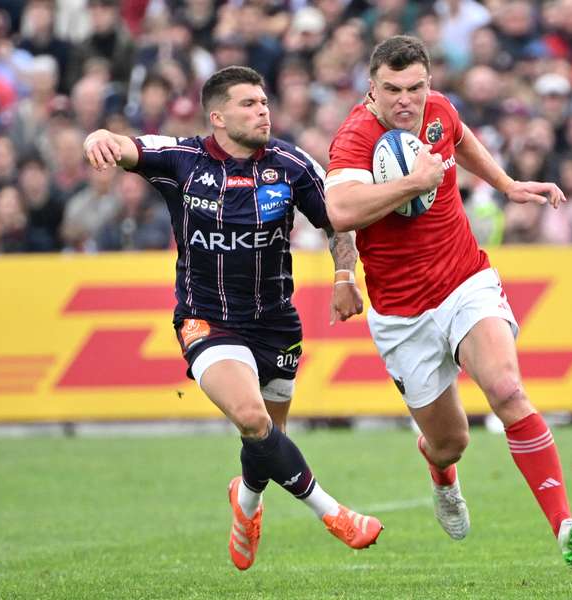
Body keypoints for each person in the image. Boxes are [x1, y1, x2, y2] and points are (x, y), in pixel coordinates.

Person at [82, 65, 383, 571]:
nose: (262, 110)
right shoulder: (182, 159)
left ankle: (245, 503)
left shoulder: (291, 164)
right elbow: (125, 143)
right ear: (217, 116)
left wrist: (343, 277)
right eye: (249, 104)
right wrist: (98, 136)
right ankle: (334, 513)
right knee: (251, 418)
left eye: (264, 102)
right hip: (207, 320)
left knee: (265, 438)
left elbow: (339, 223)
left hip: (276, 324)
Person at [324, 36, 572, 566]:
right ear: (371, 89)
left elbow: (461, 136)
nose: (406, 100)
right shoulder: (354, 138)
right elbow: (339, 209)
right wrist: (411, 185)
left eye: (417, 87)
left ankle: (564, 524)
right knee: (451, 442)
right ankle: (442, 476)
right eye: (393, 89)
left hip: (463, 282)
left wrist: (506, 183)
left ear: (429, 82)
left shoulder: (439, 111)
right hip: (402, 312)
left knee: (507, 389)